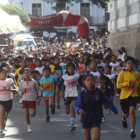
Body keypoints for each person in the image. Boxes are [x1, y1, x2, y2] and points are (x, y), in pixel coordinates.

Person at [75, 74, 118, 140]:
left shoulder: (99, 91)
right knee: (87, 138)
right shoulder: (82, 93)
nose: (90, 82)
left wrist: (114, 109)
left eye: (92, 80)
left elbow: (107, 100)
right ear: (84, 82)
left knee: (96, 137)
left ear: (95, 81)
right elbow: (78, 104)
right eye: (88, 80)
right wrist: (79, 109)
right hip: (85, 118)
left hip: (96, 117)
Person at [117, 56, 140, 139]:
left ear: (134, 64)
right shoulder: (122, 73)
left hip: (133, 95)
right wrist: (128, 84)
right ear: (125, 64)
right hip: (124, 97)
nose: (130, 65)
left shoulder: (136, 74)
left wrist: (136, 85)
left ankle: (132, 130)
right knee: (126, 114)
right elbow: (118, 85)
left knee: (132, 110)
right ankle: (123, 118)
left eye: (132, 63)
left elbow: (138, 82)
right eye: (128, 63)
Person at [18, 68, 41, 133]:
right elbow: (19, 91)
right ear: (23, 74)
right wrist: (22, 92)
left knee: (32, 114)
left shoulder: (33, 81)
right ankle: (29, 127)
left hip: (32, 99)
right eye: (25, 73)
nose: (26, 74)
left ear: (30, 74)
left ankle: (34, 111)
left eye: (28, 73)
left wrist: (39, 96)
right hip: (24, 99)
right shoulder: (22, 82)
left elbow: (38, 89)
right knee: (26, 114)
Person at [58, 63, 80, 131]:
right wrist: (61, 91)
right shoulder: (64, 77)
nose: (71, 70)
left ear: (74, 69)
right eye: (69, 68)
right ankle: (71, 121)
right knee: (67, 112)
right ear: (67, 69)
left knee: (72, 109)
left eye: (72, 68)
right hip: (67, 95)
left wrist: (81, 89)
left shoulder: (77, 76)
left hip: (74, 94)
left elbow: (82, 82)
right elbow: (59, 85)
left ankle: (72, 124)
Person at [0, 67, 17, 137]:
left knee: (5, 116)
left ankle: (2, 127)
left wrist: (8, 89)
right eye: (2, 73)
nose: (4, 74)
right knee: (1, 114)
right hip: (0, 100)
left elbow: (15, 90)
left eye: (5, 73)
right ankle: (1, 130)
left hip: (8, 100)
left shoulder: (10, 80)